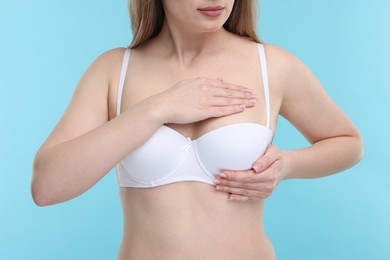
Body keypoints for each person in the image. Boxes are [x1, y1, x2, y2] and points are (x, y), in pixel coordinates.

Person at [31, 0, 363, 259]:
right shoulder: (114, 70)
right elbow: (47, 188)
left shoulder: (273, 66)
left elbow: (349, 143)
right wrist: (157, 108)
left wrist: (288, 166)